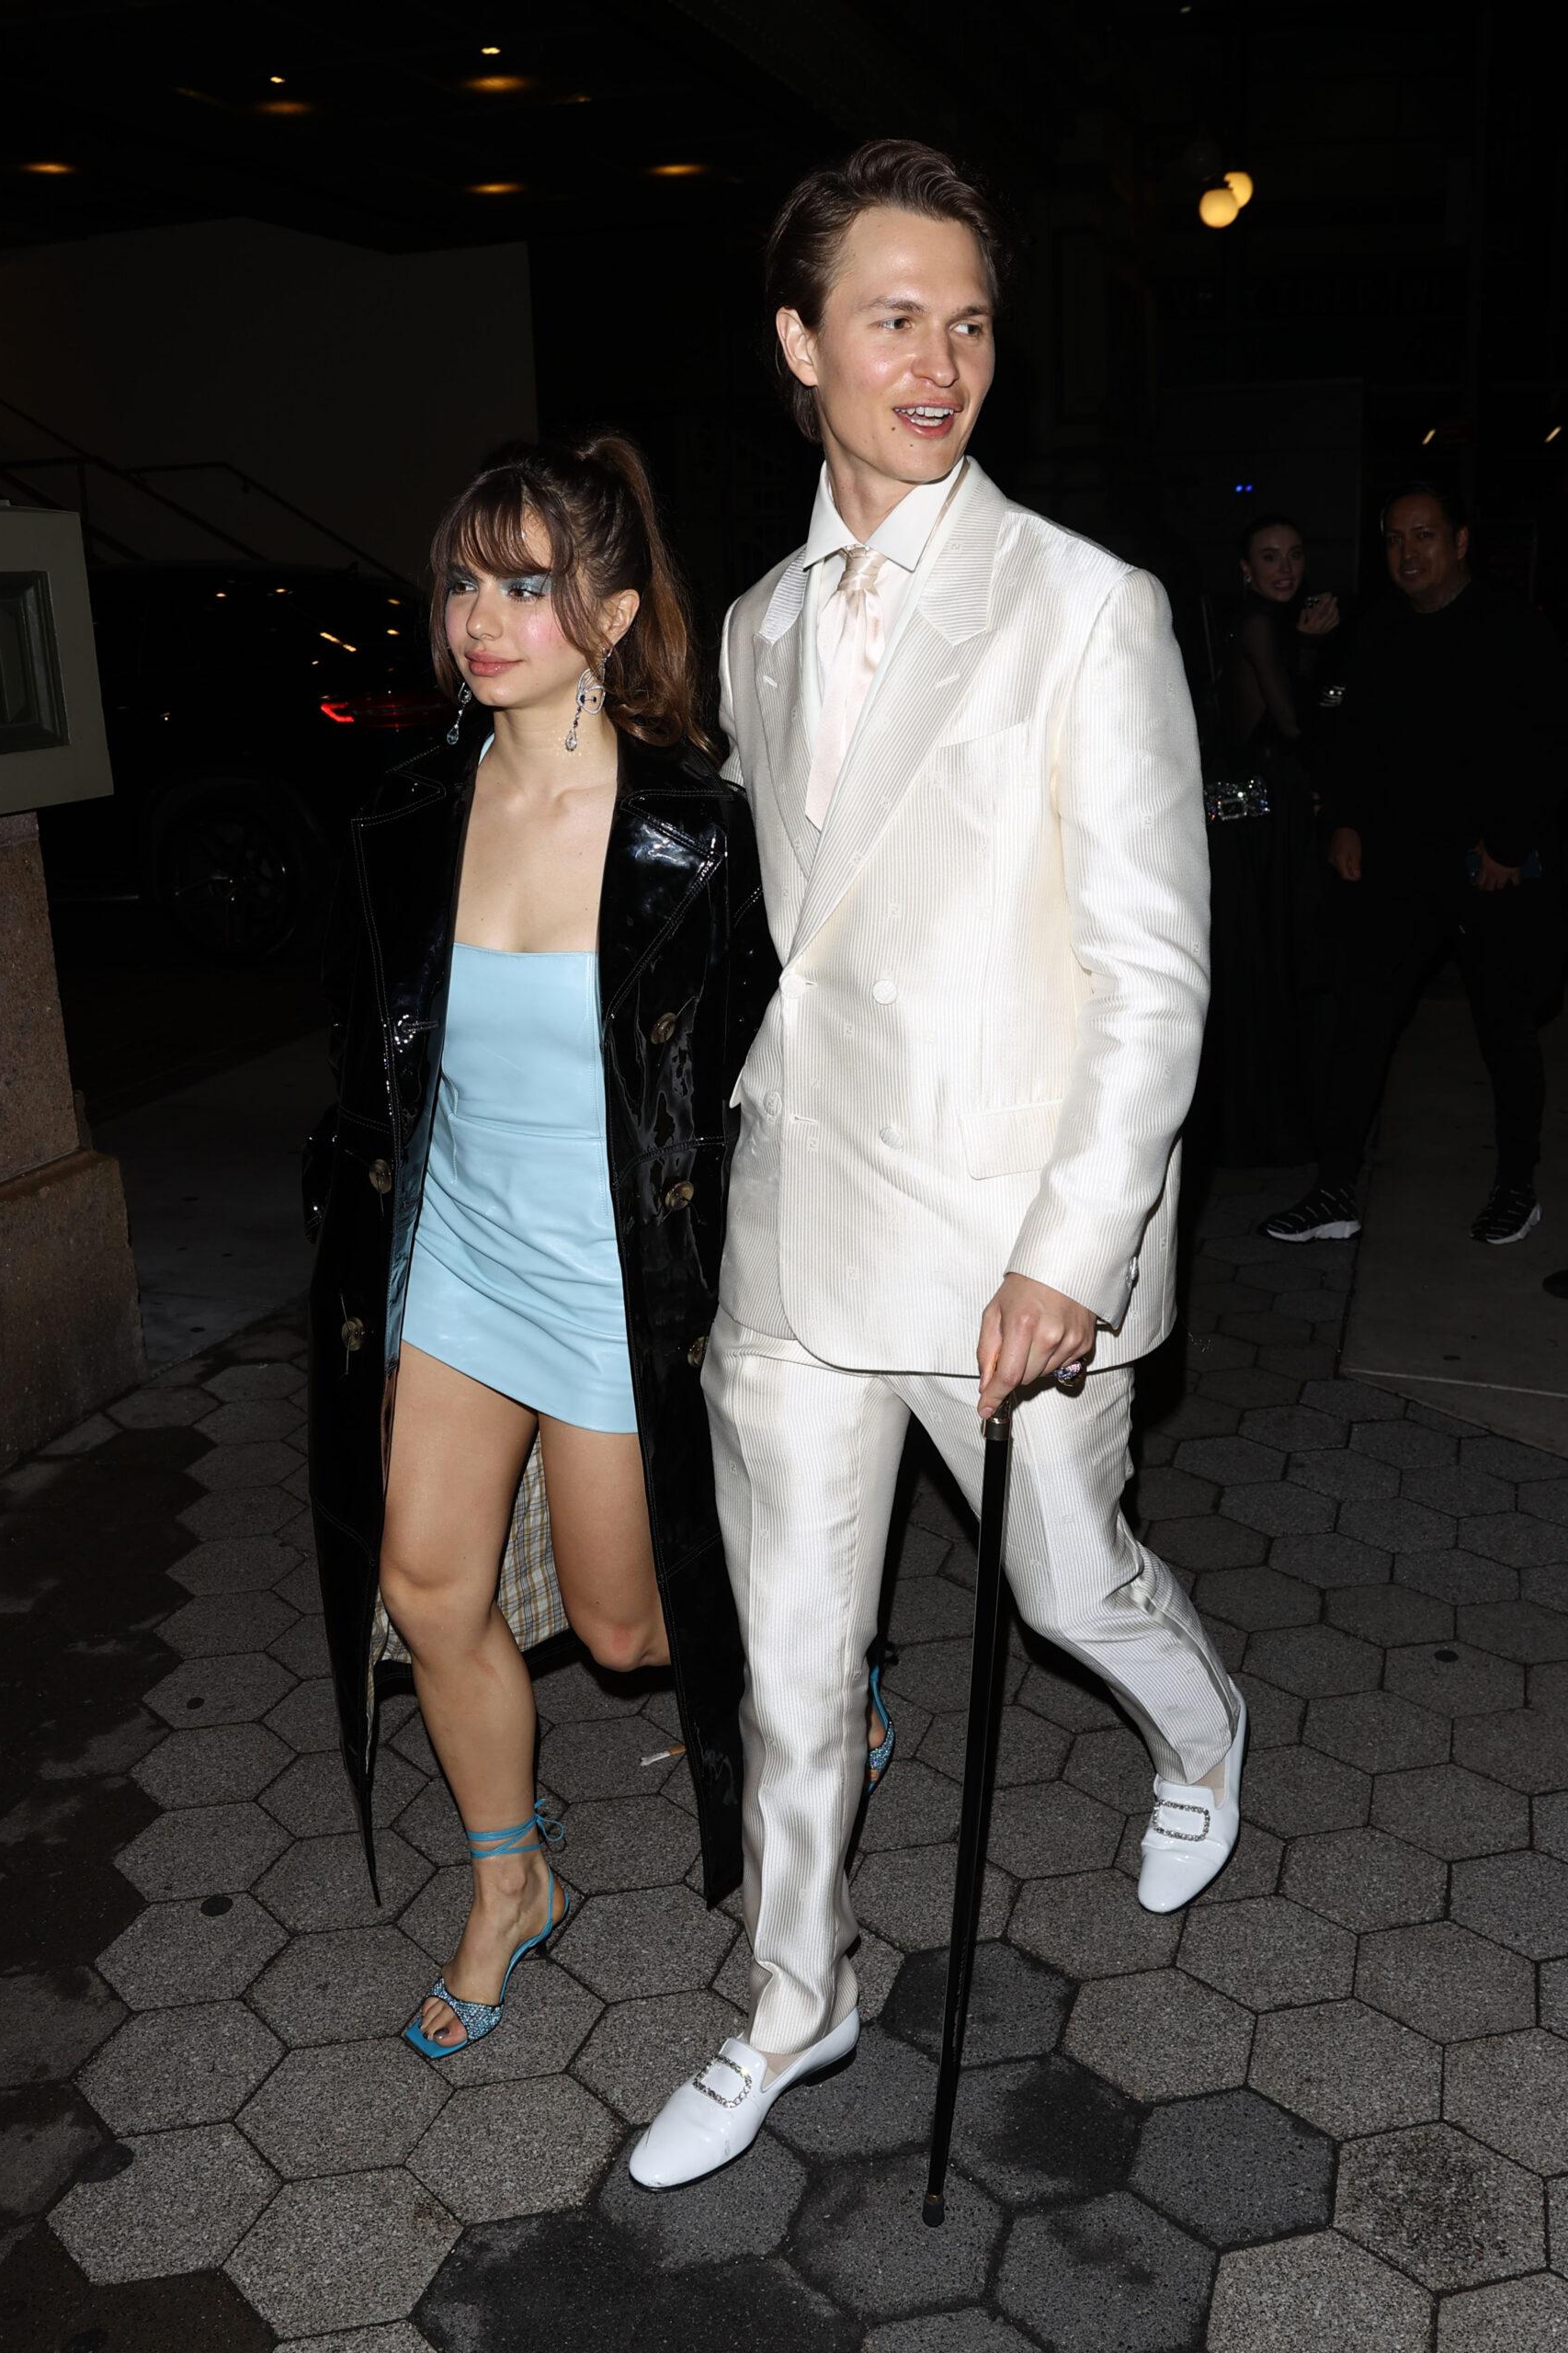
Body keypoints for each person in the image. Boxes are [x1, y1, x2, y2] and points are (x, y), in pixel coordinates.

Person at [630, 140, 1244, 2191]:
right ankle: (787, 2003)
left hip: (1006, 1243)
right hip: (800, 1234)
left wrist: (1074, 1247)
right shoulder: (759, 627)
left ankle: (1202, 1725)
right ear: (799, 342)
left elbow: (1151, 968)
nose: (938, 359)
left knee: (1066, 1582)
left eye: (968, 321)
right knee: (792, 1656)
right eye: (891, 317)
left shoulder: (1086, 606)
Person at [303, 433, 778, 2055]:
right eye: (462, 580)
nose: (481, 618)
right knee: (425, 1590)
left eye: (527, 585)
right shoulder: (408, 813)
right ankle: (510, 1885)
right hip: (454, 1267)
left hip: (608, 1288)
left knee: (632, 1633)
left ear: (613, 609)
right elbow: (375, 1067)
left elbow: (755, 1091)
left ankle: (811, 1634)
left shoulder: (694, 833)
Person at [1260, 482, 1564, 1249]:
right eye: (1395, 539)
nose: (1408, 553)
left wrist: (1509, 844)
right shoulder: (1381, 626)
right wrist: (1346, 823)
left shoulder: (1510, 626)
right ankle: (1333, 1188)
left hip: (1482, 865)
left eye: (1424, 536)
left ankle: (1517, 1186)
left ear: (1460, 541)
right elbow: (1353, 737)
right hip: (1398, 861)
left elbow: (1541, 744)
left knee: (1505, 1027)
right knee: (1361, 1022)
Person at [1198, 514, 1340, 1164]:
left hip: (1263, 817)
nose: (1285, 569)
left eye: (1295, 555)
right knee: (1264, 967)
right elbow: (1292, 724)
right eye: (1270, 558)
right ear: (1246, 571)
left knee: (1274, 966)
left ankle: (1271, 1123)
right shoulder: (1259, 625)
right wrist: (1313, 651)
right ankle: (1262, 1130)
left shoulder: (1271, 625)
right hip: (1252, 826)